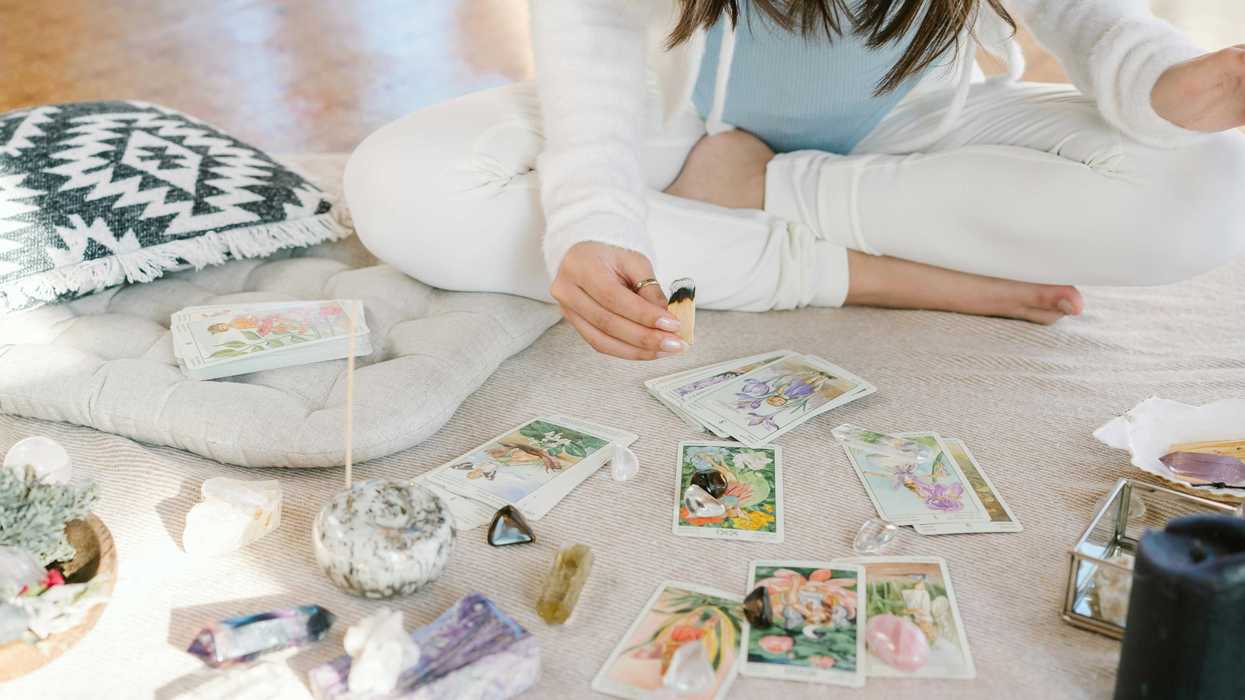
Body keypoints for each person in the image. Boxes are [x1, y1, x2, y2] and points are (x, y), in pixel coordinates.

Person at [345, 0, 1245, 361]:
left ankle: (767, 195)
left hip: (915, 130)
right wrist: (589, 217)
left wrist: (1172, 91)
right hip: (680, 119)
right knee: (399, 185)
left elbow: (1090, 20)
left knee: (1215, 188)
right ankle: (885, 275)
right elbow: (594, 24)